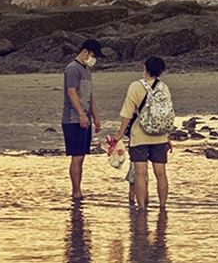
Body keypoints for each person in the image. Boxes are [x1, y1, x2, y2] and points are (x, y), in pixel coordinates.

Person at [108, 56, 172, 210]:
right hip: (159, 137)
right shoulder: (164, 88)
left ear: (145, 67)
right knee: (161, 174)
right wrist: (167, 136)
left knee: (140, 174)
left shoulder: (135, 87)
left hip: (140, 137)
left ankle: (142, 208)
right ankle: (163, 208)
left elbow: (127, 114)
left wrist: (119, 135)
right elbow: (167, 115)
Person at [62, 39, 103, 201]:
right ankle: (76, 191)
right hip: (72, 119)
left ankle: (79, 190)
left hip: (85, 119)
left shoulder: (86, 71)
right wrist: (81, 114)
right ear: (85, 52)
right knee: (77, 156)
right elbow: (71, 93)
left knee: (82, 156)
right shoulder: (72, 69)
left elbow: (90, 96)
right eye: (93, 55)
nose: (94, 59)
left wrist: (96, 117)